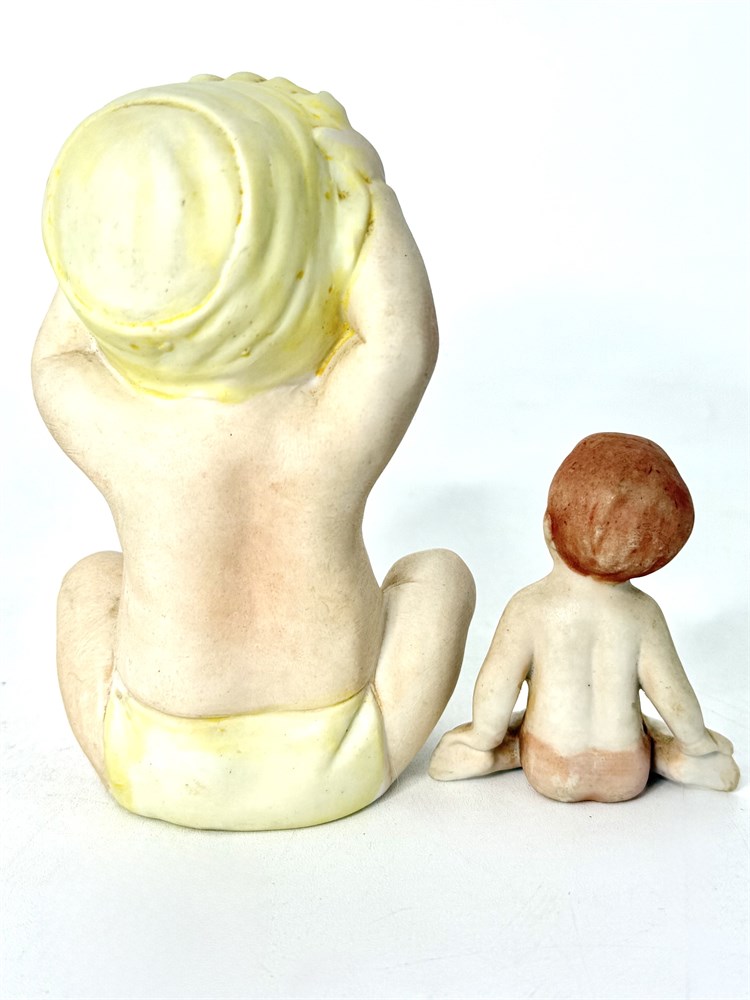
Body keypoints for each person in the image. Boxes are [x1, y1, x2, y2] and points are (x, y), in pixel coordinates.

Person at [33, 74, 475, 829]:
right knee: (441, 575)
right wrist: (366, 196)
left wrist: (117, 245)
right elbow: (403, 336)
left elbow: (57, 358)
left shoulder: (126, 431)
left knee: (88, 582)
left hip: (149, 760)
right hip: (347, 750)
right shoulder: (330, 421)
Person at [429, 432, 739, 801]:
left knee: (519, 729)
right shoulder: (643, 615)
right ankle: (679, 759)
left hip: (548, 765)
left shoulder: (529, 607)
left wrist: (482, 736)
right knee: (647, 730)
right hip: (627, 770)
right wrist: (696, 743)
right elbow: (674, 694)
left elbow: (495, 689)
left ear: (548, 526)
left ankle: (496, 754)